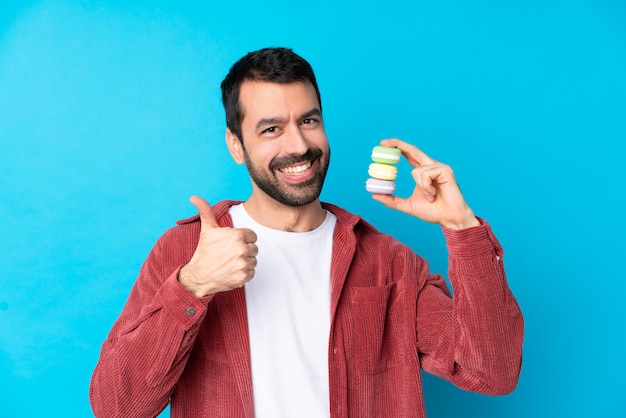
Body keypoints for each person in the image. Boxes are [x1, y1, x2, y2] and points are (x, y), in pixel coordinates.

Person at [90, 47, 524, 418]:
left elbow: (492, 372)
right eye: (271, 129)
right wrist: (194, 286)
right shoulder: (187, 251)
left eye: (309, 121)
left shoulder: (389, 263)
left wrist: (462, 228)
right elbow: (117, 406)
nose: (298, 146)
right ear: (236, 145)